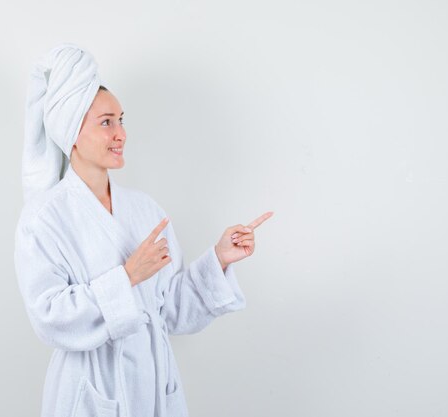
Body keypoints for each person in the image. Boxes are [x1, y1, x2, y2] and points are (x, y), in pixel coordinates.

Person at [14, 43, 273, 417]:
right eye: (106, 122)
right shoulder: (44, 218)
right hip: (91, 392)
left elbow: (168, 311)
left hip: (154, 389)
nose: (121, 134)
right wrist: (127, 276)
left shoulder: (144, 210)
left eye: (121, 120)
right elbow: (48, 317)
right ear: (71, 131)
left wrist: (218, 259)